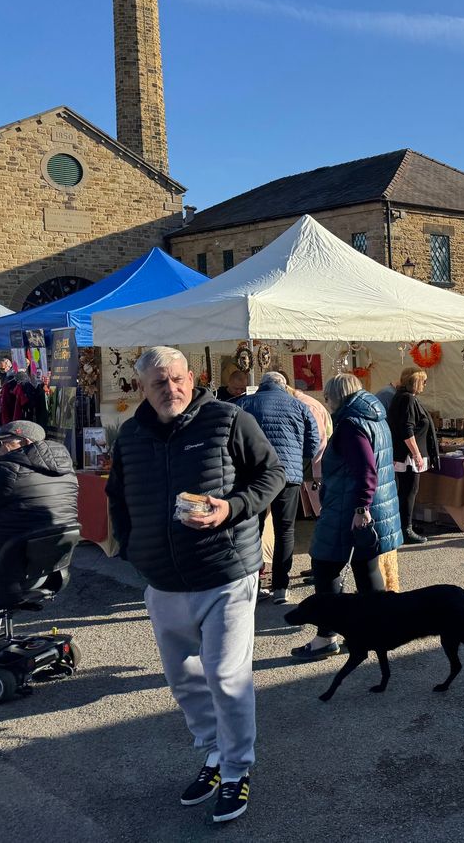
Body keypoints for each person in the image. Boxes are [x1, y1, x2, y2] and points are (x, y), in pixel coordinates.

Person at [105, 347, 285, 824]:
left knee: (226, 677)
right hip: (163, 579)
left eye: (179, 379)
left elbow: (273, 473)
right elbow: (117, 497)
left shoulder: (227, 419)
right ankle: (212, 753)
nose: (172, 390)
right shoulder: (131, 435)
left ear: (193, 377)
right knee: (184, 678)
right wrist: (132, 549)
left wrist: (230, 508)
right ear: (143, 389)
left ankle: (236, 770)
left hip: (225, 571)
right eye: (160, 384)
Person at [294, 373, 400, 659]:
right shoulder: (374, 417)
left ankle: (327, 636)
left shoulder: (351, 424)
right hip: (371, 504)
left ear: (335, 397)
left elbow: (366, 469)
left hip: (350, 507)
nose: (326, 404)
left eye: (327, 398)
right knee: (366, 567)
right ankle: (377, 630)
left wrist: (361, 508)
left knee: (325, 566)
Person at [238, 371, 321, 604]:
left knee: (253, 529)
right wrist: (298, 458)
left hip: (255, 474)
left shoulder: (245, 403)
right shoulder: (299, 405)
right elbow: (313, 441)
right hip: (288, 475)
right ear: (284, 386)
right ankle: (281, 587)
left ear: (262, 386)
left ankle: (252, 584)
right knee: (285, 530)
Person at [0, 420, 78, 546]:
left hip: (13, 551)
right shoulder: (68, 472)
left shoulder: (7, 470)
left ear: (25, 442)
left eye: (3, 443)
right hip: (57, 550)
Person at [385, 367, 440, 544]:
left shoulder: (403, 397)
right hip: (408, 455)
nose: (425, 384)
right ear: (416, 381)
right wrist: (416, 453)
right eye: (423, 381)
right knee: (409, 491)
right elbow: (407, 429)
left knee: (407, 491)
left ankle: (406, 524)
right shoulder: (407, 399)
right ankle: (406, 529)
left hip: (405, 453)